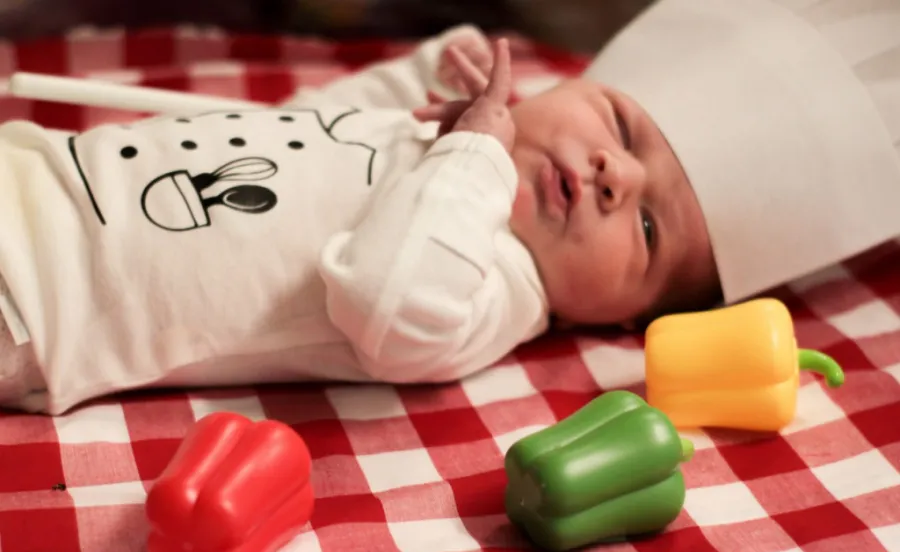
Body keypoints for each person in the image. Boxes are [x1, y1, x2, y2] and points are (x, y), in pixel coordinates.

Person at [0, 0, 897, 416]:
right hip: (35, 171)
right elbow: (316, 120)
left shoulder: (497, 281)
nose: (614, 175)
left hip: (41, 301)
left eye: (649, 227)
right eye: (621, 124)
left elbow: (388, 304)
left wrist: (476, 152)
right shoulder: (452, 144)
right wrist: (440, 93)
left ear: (630, 316)